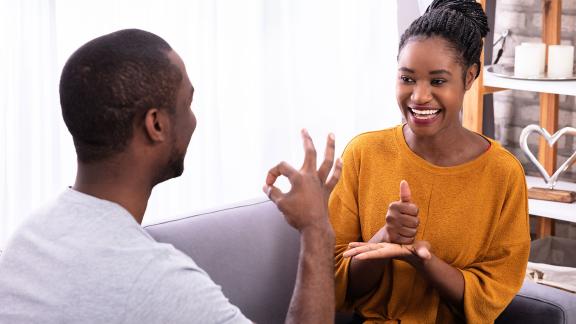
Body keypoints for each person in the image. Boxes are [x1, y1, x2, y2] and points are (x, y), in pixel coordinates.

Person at [0, 29, 342, 324]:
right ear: (157, 125)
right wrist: (315, 228)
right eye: (187, 104)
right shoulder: (154, 280)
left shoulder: (27, 239)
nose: (193, 120)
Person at [329, 0, 530, 323]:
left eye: (438, 81)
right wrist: (386, 238)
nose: (419, 96)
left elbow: (492, 293)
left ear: (469, 77)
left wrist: (424, 260)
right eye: (407, 79)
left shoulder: (502, 173)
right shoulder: (363, 154)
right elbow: (336, 284)